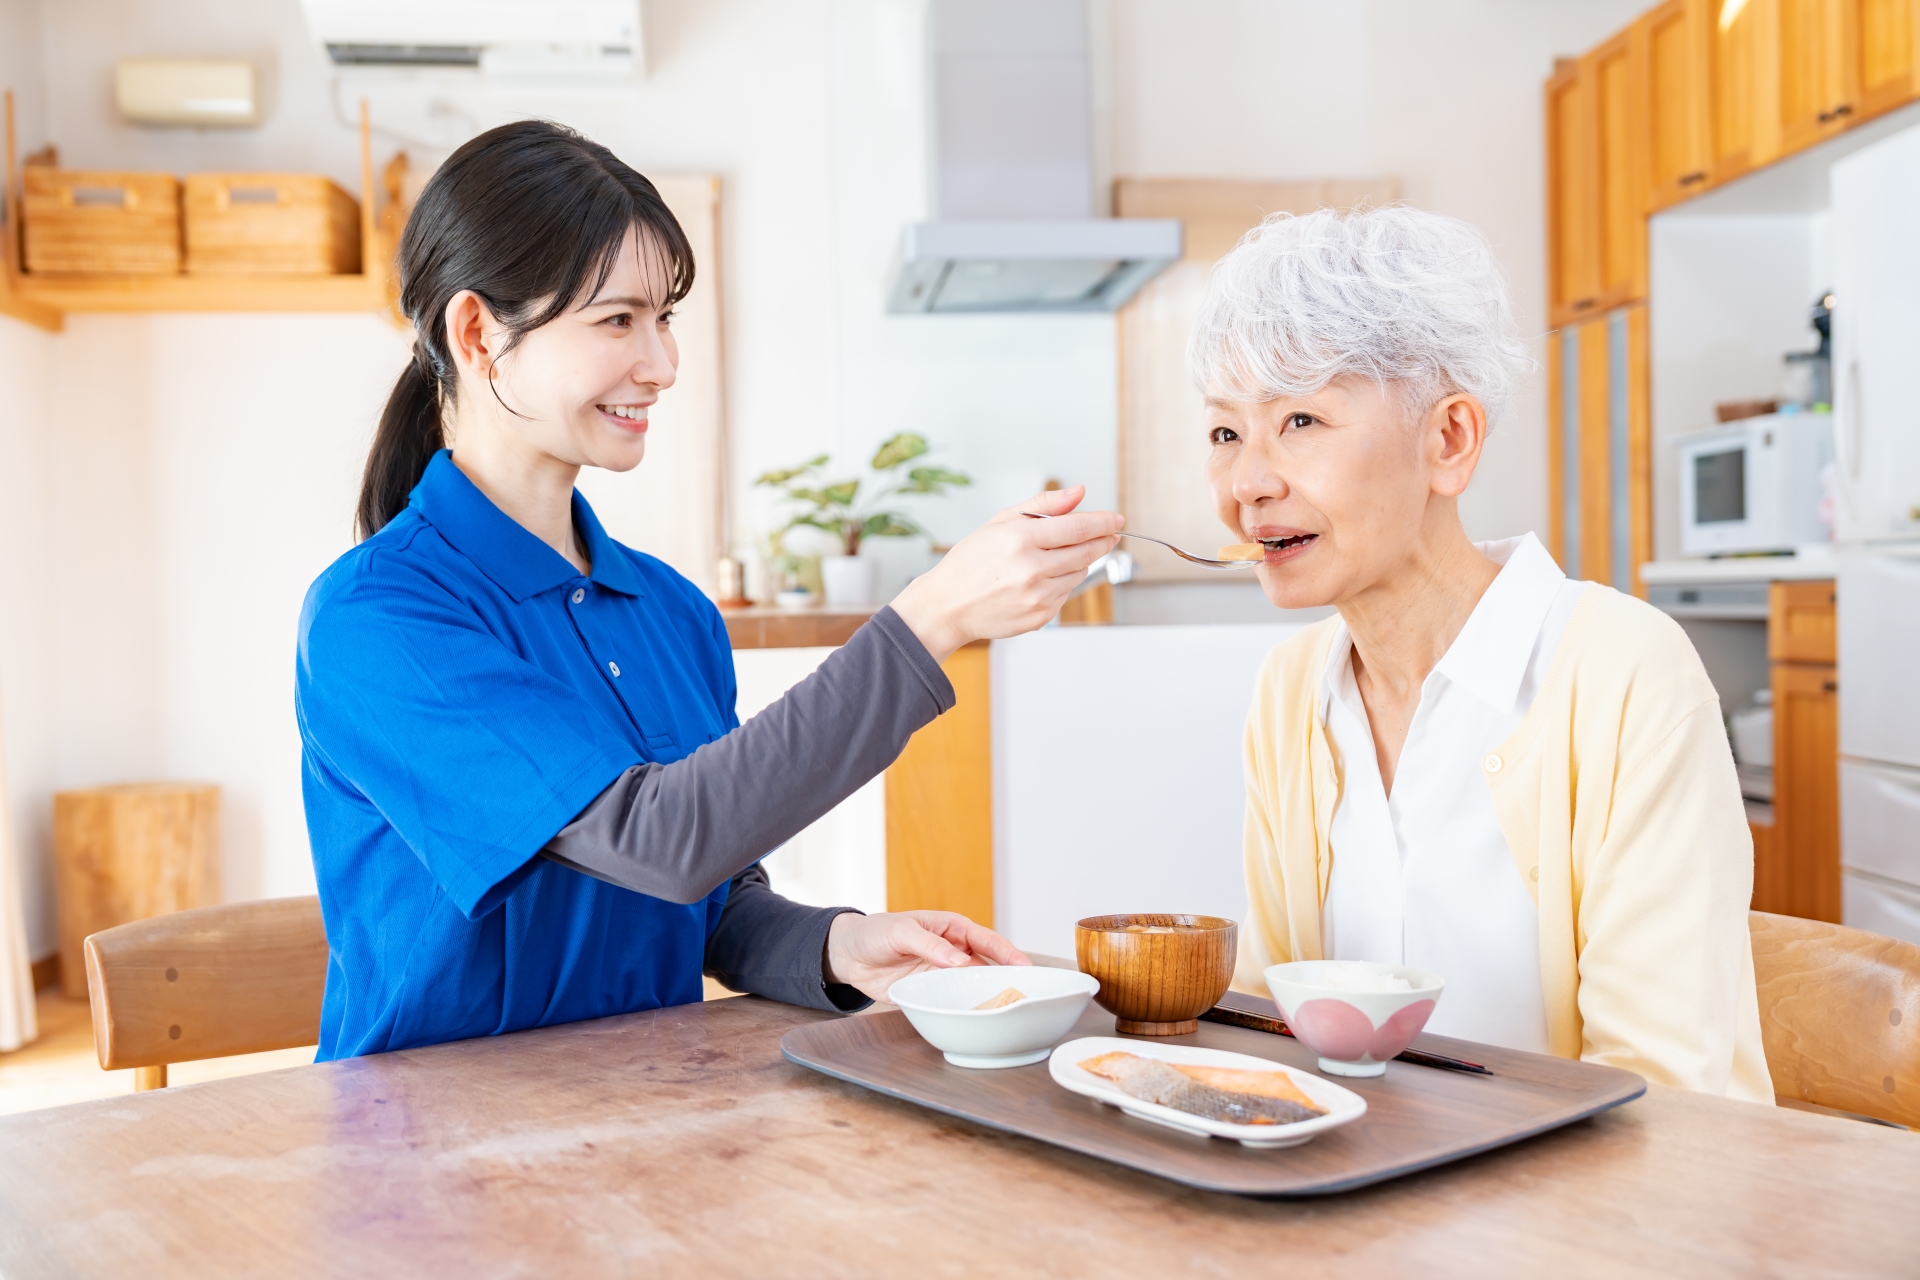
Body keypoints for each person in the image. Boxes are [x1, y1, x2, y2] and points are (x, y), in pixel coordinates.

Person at [295, 120, 1121, 1061]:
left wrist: (836, 944)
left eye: (666, 318)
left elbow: (710, 898)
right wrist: (931, 618)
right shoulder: (381, 620)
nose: (662, 363)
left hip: (653, 1121)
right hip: (438, 1161)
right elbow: (665, 839)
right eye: (618, 319)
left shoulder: (672, 613)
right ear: (479, 332)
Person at [1199, 206, 1770, 1100]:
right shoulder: (1291, 690)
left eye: (1301, 421)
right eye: (1226, 432)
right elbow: (1273, 1020)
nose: (1247, 485)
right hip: (1354, 1213)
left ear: (1449, 440)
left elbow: (1663, 1096)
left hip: (1600, 1226)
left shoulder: (1625, 676)